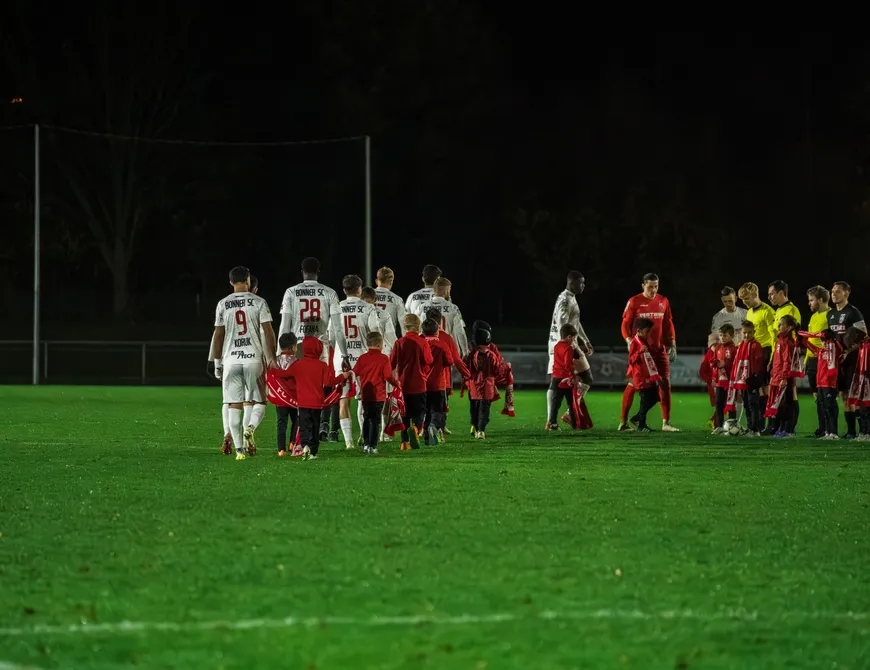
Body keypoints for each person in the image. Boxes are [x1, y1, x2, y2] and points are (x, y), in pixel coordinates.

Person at [211, 266, 276, 460]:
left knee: (233, 404)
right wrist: (271, 356)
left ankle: (239, 450)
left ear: (231, 282)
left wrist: (217, 362)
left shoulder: (223, 303)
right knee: (259, 401)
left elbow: (218, 334)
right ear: (248, 280)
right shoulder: (259, 302)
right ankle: (250, 428)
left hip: (231, 360)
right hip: (253, 359)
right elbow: (268, 330)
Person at [278, 257, 346, 441]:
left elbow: (285, 325)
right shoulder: (329, 292)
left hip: (298, 346)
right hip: (320, 347)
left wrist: (281, 352)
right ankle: (317, 430)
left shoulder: (291, 292)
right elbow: (338, 328)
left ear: (302, 272)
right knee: (321, 388)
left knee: (301, 390)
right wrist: (344, 353)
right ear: (318, 271)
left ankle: (300, 435)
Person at [269, 337, 350, 460]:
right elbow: (329, 382)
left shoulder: (298, 364)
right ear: (318, 349)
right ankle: (313, 452)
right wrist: (342, 377)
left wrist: (271, 370)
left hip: (302, 403)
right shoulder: (322, 365)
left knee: (304, 426)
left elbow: (284, 374)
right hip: (317, 403)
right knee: (315, 427)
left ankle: (304, 445)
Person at [619, 273, 678, 431]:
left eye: (656, 286)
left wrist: (672, 342)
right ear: (643, 285)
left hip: (659, 350)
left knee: (665, 383)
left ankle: (666, 423)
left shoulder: (663, 301)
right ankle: (623, 422)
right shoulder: (634, 301)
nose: (653, 289)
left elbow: (668, 323)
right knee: (633, 384)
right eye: (650, 286)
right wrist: (628, 340)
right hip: (641, 351)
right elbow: (625, 324)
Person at [331, 275, 384, 450]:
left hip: (341, 359)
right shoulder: (368, 308)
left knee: (343, 400)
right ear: (359, 289)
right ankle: (364, 434)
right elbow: (374, 334)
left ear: (344, 290)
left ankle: (348, 442)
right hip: (363, 358)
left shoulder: (336, 308)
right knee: (365, 398)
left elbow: (331, 338)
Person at [546, 271, 593, 421]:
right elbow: (562, 324)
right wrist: (565, 347)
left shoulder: (570, 299)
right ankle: (552, 419)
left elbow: (575, 323)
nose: (583, 286)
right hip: (562, 345)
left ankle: (567, 414)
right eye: (581, 283)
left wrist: (584, 340)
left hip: (569, 344)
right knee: (557, 381)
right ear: (572, 282)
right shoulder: (565, 300)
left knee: (585, 378)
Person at [828, 281, 867, 438]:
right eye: (832, 291)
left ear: (846, 293)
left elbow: (864, 334)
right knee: (844, 396)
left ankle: (864, 430)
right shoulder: (830, 314)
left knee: (855, 396)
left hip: (852, 360)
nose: (834, 293)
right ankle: (851, 432)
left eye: (837, 291)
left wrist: (849, 351)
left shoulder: (853, 312)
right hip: (837, 361)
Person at [426, 306, 471, 440]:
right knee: (439, 408)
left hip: (422, 381)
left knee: (426, 407)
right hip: (442, 380)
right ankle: (438, 430)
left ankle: (424, 430)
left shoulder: (420, 337)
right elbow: (455, 360)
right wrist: (467, 374)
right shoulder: (446, 338)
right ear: (440, 322)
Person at [352, 331, 400, 455]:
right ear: (380, 345)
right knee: (375, 420)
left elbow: (355, 372)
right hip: (379, 395)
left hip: (366, 395)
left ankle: (366, 445)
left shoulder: (363, 358)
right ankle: (373, 446)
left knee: (367, 418)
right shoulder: (384, 358)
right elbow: (388, 376)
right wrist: (396, 384)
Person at [390, 314, 434, 450]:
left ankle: (404, 443)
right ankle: (416, 428)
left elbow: (391, 363)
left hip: (403, 384)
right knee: (420, 411)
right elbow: (429, 360)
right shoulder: (422, 342)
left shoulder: (399, 342)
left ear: (404, 326)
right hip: (419, 383)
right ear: (419, 326)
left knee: (404, 415)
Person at [799, 328, 842, 440]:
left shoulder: (834, 349)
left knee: (830, 407)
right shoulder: (821, 351)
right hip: (820, 384)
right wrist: (803, 341)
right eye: (822, 340)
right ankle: (828, 432)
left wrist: (832, 339)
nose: (822, 342)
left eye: (824, 340)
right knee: (824, 408)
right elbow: (812, 348)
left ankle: (834, 432)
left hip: (829, 384)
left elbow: (840, 348)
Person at [727, 321, 766, 435]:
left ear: (754, 332)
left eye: (749, 333)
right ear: (741, 332)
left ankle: (755, 429)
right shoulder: (741, 346)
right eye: (745, 333)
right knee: (747, 405)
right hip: (743, 380)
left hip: (752, 380)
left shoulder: (756, 345)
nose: (747, 335)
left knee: (753, 404)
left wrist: (755, 378)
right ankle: (750, 428)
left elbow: (759, 363)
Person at [766, 315, 800, 437]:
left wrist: (785, 377)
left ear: (789, 327)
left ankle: (788, 429)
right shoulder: (780, 341)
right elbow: (777, 361)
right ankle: (781, 428)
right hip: (777, 378)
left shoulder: (788, 343)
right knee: (779, 404)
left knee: (786, 404)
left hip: (784, 379)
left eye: (781, 324)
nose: (778, 326)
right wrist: (773, 374)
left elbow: (787, 362)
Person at [805, 286, 832, 437]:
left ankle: (830, 428)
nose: (809, 303)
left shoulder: (830, 315)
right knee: (817, 398)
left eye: (811, 300)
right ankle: (822, 428)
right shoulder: (814, 316)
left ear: (820, 300)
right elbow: (810, 340)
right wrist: (806, 361)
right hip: (812, 362)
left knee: (826, 396)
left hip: (824, 360)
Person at [422, 317, 454, 445]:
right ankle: (433, 426)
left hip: (422, 384)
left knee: (427, 410)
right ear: (437, 331)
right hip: (438, 383)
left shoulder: (420, 343)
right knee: (437, 410)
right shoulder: (442, 345)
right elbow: (450, 362)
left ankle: (426, 436)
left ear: (423, 332)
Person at [627, 317, 661, 432]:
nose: (648, 334)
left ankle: (637, 418)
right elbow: (631, 360)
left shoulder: (644, 341)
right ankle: (641, 425)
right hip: (640, 377)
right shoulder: (635, 343)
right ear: (639, 331)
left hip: (648, 376)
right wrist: (639, 352)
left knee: (656, 397)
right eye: (647, 332)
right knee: (645, 400)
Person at [465, 328, 501, 439]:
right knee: (484, 409)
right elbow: (496, 370)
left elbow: (467, 368)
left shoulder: (471, 355)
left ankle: (475, 429)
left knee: (474, 409)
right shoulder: (491, 355)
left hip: (474, 386)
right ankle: (481, 430)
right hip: (487, 386)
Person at [547, 324, 580, 430]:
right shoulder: (568, 348)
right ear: (569, 336)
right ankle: (575, 425)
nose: (573, 340)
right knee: (572, 403)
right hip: (566, 379)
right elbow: (567, 364)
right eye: (573, 338)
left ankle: (552, 424)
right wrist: (572, 377)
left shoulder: (556, 346)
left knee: (555, 403)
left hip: (556, 377)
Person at [272, 333, 299, 456]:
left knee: (281, 422)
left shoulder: (275, 360)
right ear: (293, 347)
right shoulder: (296, 361)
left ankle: (280, 450)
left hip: (280, 397)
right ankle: (292, 443)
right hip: (294, 397)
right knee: (296, 420)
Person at [711, 324, 738, 433]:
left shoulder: (734, 349)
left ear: (731, 336)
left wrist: (725, 364)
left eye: (725, 335)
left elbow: (736, 365)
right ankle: (720, 426)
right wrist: (714, 378)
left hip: (730, 382)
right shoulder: (717, 347)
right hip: (720, 382)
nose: (722, 338)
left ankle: (732, 426)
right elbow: (714, 363)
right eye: (721, 335)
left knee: (731, 403)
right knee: (719, 403)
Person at [362, 286, 396, 354]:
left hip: (361, 351)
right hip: (380, 351)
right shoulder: (384, 314)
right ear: (375, 299)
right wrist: (397, 349)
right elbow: (390, 335)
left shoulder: (354, 313)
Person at [375, 267, 408, 336]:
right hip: (388, 341)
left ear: (377, 281)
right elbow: (404, 324)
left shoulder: (366, 296)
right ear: (391, 282)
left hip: (370, 341)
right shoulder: (397, 299)